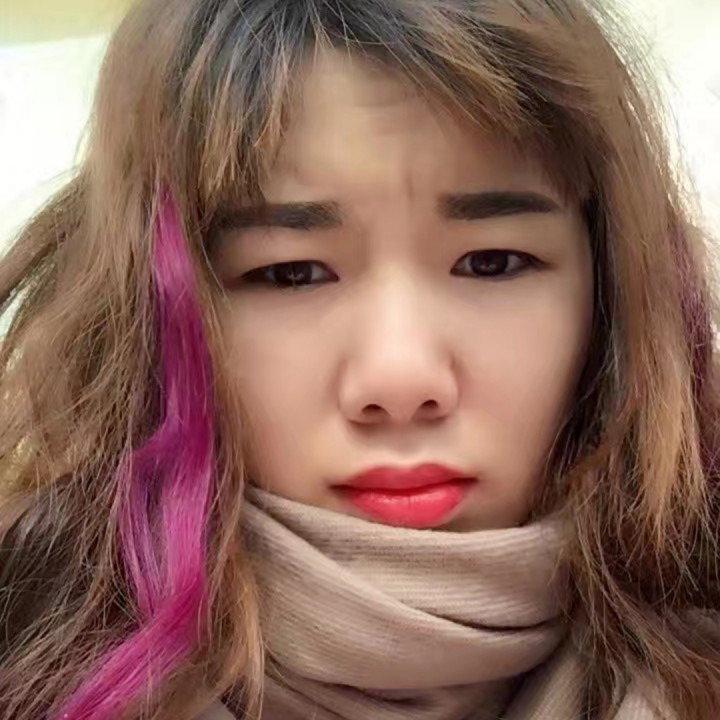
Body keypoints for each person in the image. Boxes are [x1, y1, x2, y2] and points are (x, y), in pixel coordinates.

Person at [1, 0, 719, 718]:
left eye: (492, 262)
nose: (400, 381)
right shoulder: (25, 638)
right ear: (156, 312)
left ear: (609, 294)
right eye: (291, 273)